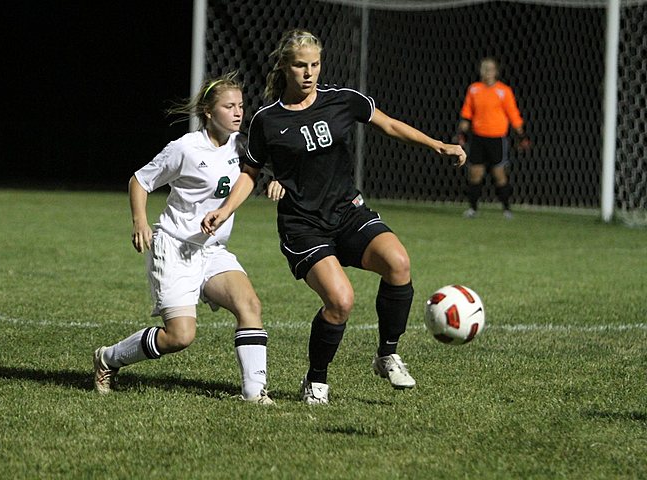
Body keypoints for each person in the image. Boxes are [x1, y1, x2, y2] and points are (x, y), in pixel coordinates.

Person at [202, 29, 466, 405]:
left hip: (347, 213)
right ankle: (315, 379)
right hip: (303, 226)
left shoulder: (341, 100)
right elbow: (250, 172)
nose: (309, 72)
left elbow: (389, 124)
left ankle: (387, 354)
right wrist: (224, 209)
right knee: (341, 301)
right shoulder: (267, 119)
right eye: (300, 65)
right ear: (284, 67)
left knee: (399, 263)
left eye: (314, 64)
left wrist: (437, 144)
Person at [92, 72, 273, 405]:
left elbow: (259, 171)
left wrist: (279, 182)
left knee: (250, 305)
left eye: (241, 106)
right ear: (208, 111)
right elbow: (139, 180)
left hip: (213, 249)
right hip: (175, 248)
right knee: (180, 336)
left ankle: (253, 393)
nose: (238, 112)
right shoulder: (185, 148)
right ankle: (108, 358)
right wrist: (140, 222)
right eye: (228, 106)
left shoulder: (242, 144)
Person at [456, 57, 530, 220]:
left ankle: (506, 209)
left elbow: (513, 115)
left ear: (496, 71)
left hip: (497, 138)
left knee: (499, 174)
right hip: (478, 138)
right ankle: (473, 209)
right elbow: (467, 114)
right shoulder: (474, 89)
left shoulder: (504, 91)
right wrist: (461, 134)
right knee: (475, 173)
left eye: (490, 69)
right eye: (484, 68)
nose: (486, 72)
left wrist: (521, 135)